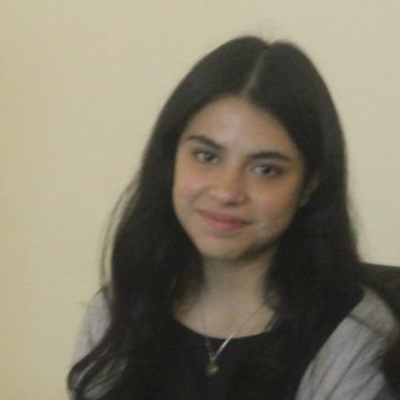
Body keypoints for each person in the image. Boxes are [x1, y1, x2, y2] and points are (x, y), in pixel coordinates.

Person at [68, 36, 399, 400]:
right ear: (171, 158)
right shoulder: (118, 312)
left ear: (309, 185)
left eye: (265, 169)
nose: (227, 191)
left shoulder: (353, 337)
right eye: (206, 156)